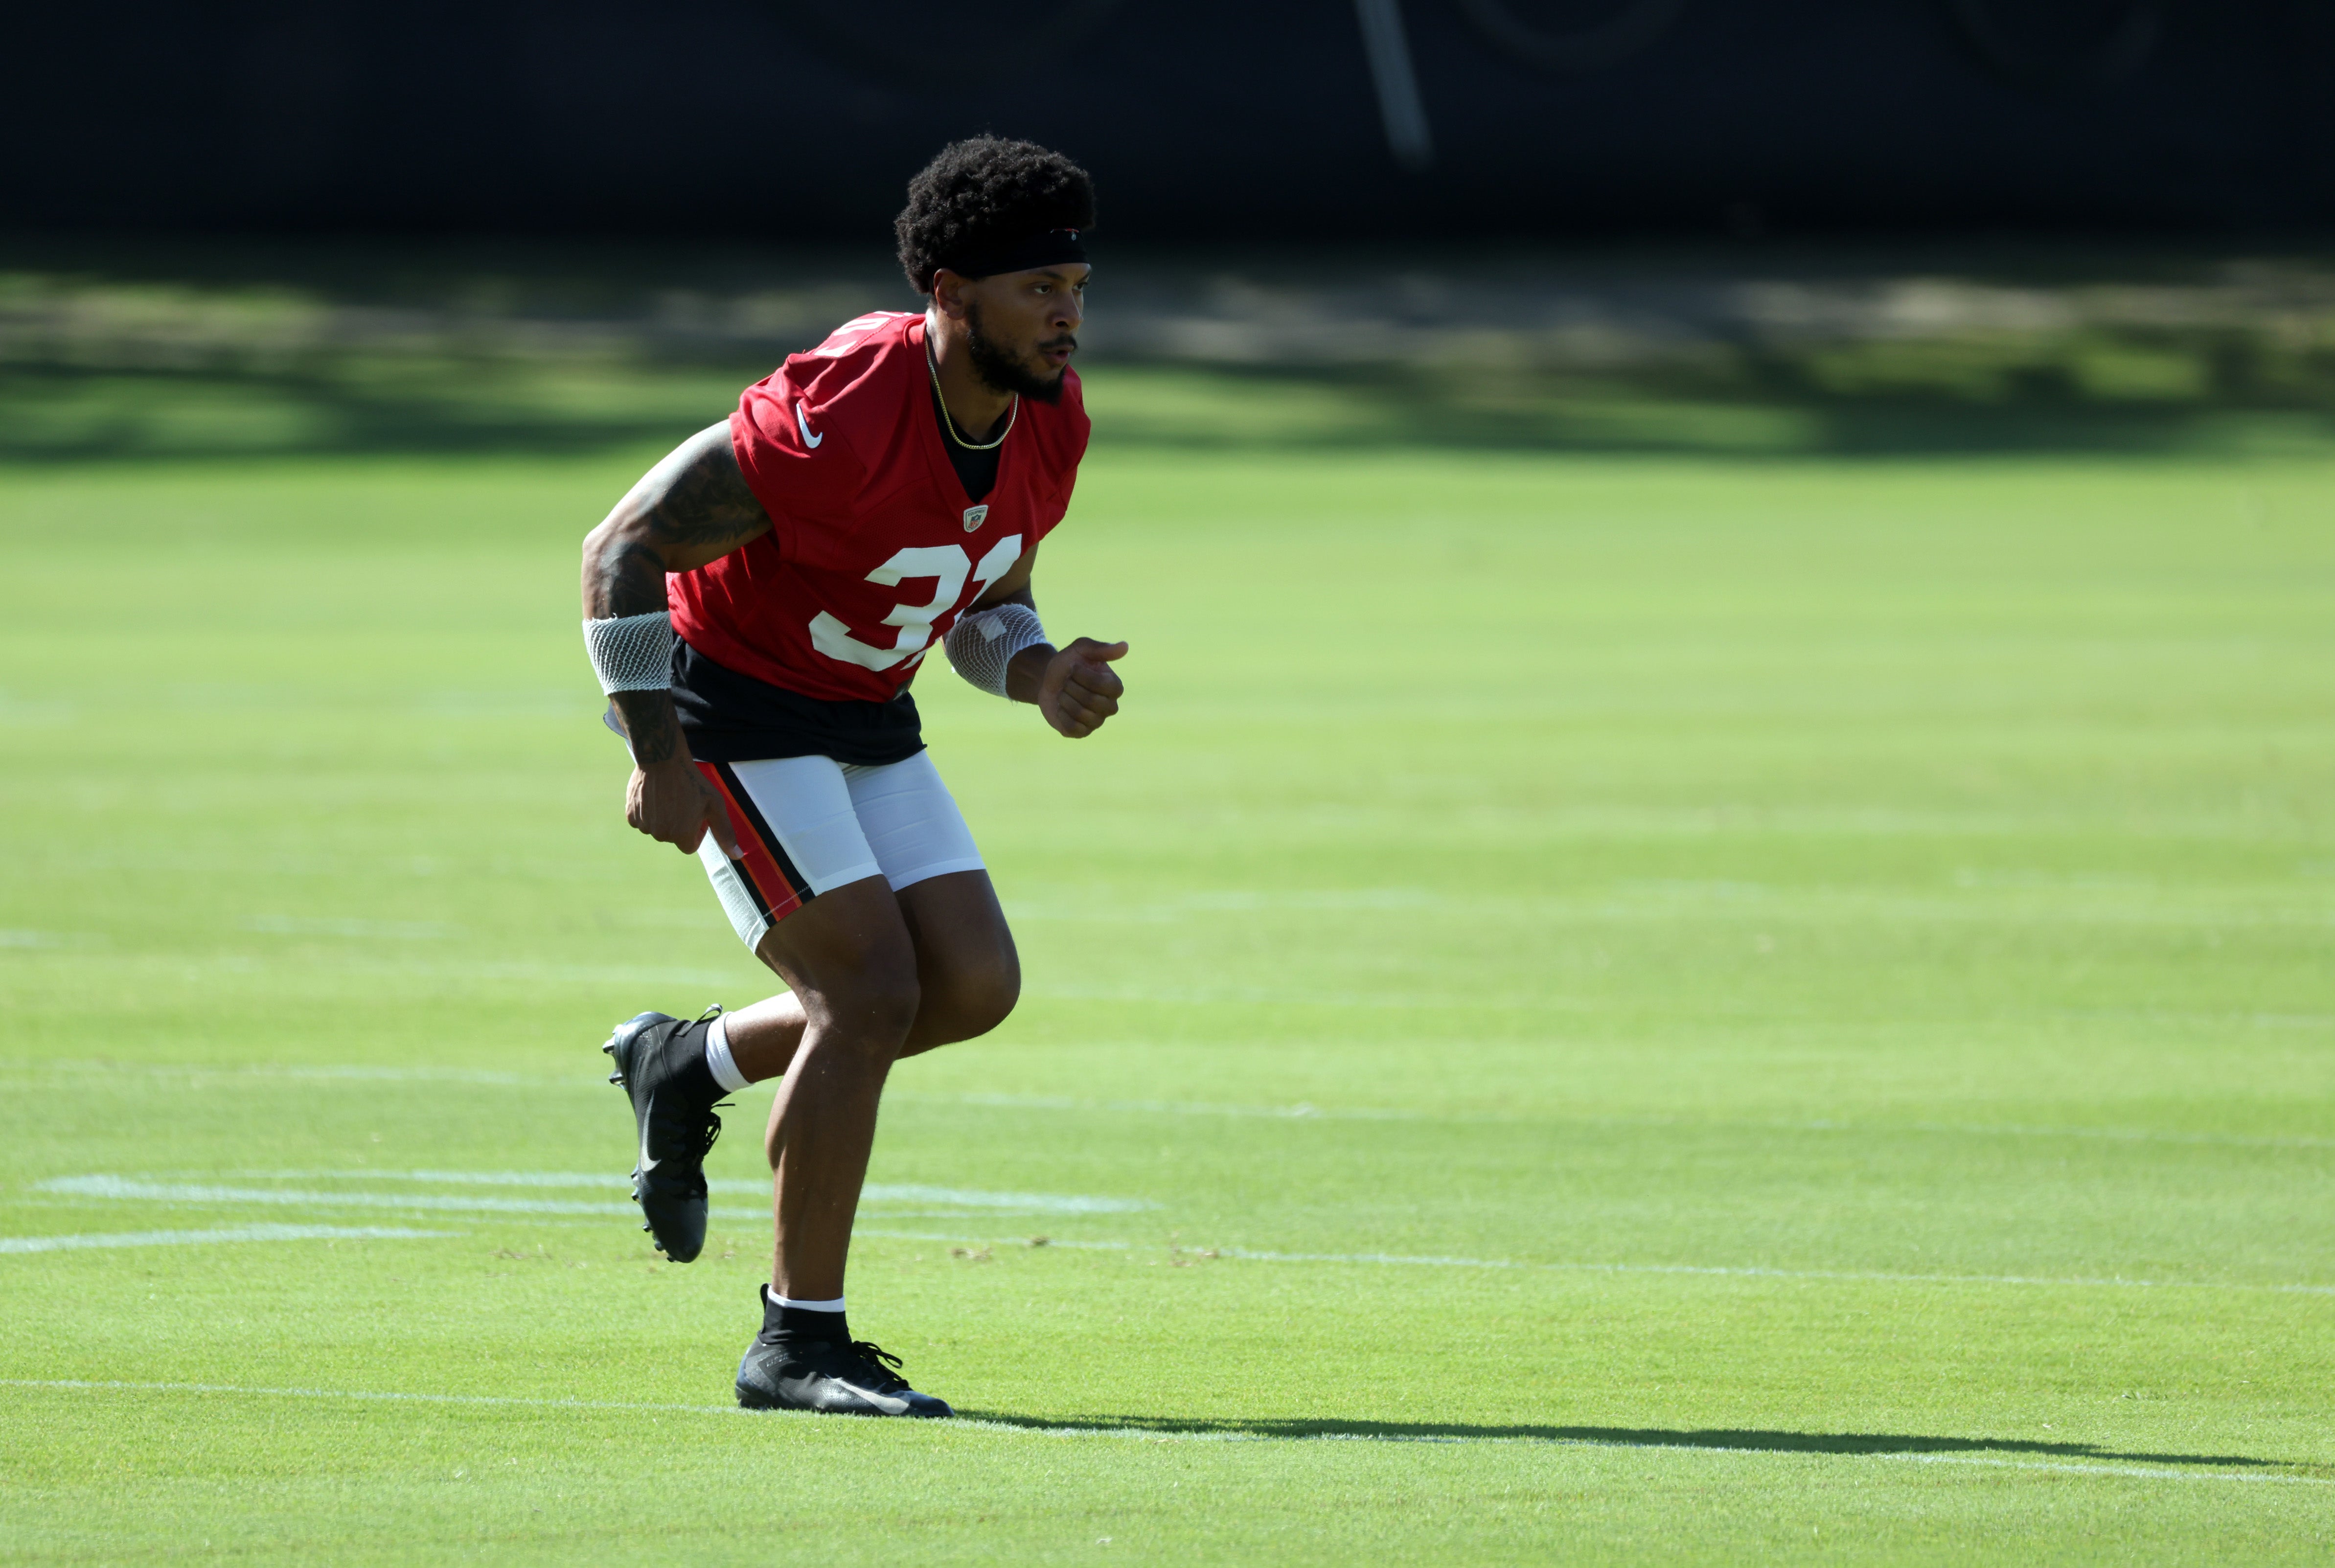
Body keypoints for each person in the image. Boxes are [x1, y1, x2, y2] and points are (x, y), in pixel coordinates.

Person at [575, 137, 1126, 1418]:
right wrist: (658, 754)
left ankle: (688, 1062)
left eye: (1078, 287)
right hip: (728, 704)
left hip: (860, 706)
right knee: (868, 990)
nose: (1066, 314)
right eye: (1038, 287)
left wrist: (1037, 671)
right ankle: (796, 1344)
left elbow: (981, 599)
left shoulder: (1050, 416)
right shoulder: (842, 407)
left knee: (972, 983)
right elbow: (620, 554)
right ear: (948, 292)